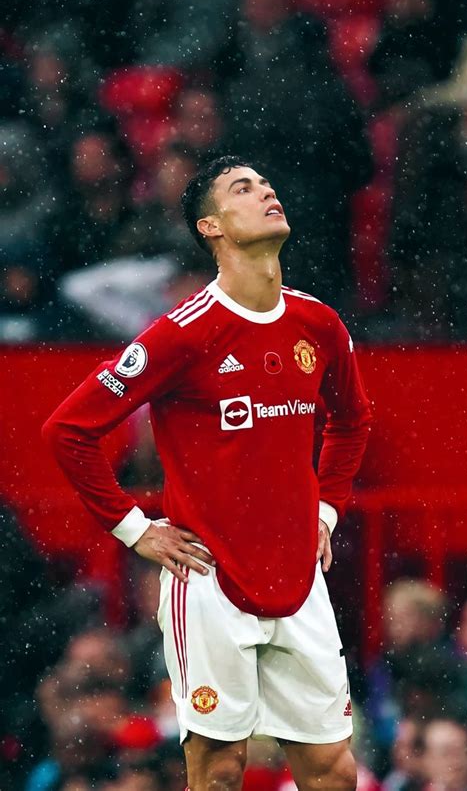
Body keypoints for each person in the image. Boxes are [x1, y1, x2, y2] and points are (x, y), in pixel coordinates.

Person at [43, 155, 372, 791]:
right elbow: (68, 429)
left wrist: (326, 510)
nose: (266, 192)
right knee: (219, 769)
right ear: (212, 227)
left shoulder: (319, 323)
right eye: (243, 189)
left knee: (332, 769)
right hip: (211, 579)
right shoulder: (182, 334)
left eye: (267, 184)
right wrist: (136, 531)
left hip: (300, 575)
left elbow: (352, 421)